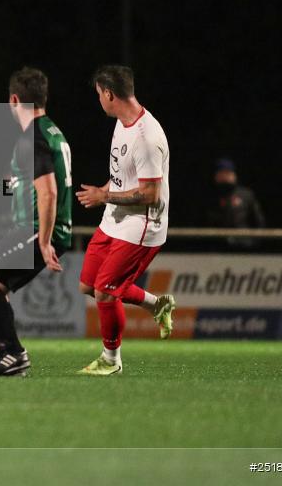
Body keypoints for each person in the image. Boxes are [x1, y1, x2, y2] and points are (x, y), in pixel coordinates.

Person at [0, 67, 73, 376]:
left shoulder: (32, 137)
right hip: (43, 229)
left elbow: (49, 191)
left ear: (15, 100)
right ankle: (11, 356)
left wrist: (43, 239)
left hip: (38, 229)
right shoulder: (53, 131)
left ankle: (12, 353)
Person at [76, 65, 175, 376]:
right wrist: (104, 190)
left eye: (98, 96)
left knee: (106, 292)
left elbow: (149, 194)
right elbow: (122, 175)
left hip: (141, 227)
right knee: (88, 286)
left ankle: (111, 359)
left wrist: (104, 197)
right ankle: (157, 304)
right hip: (114, 219)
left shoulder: (148, 137)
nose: (99, 101)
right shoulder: (122, 123)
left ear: (109, 93)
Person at [206, 157, 265, 249]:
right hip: (217, 246)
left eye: (228, 173)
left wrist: (254, 243)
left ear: (234, 175)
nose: (225, 176)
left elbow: (258, 221)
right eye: (222, 173)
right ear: (216, 176)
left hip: (243, 245)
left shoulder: (246, 195)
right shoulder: (210, 197)